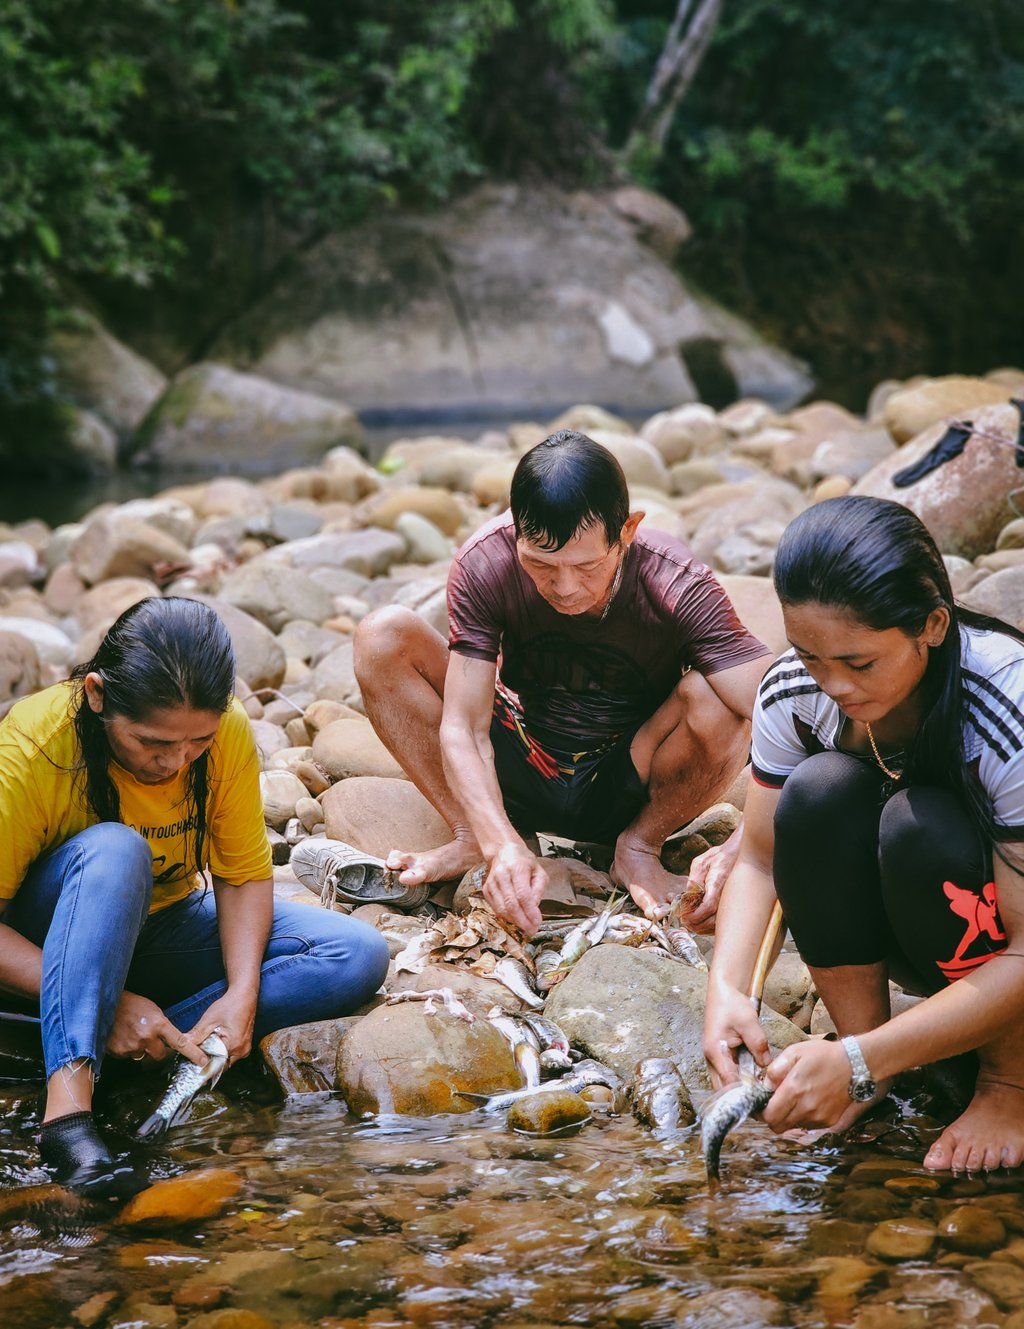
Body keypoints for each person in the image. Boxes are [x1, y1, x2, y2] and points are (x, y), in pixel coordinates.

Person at [0, 597, 389, 1196]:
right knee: (116, 850)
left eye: (196, 744)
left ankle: (140, 1041)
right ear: (98, 695)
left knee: (354, 953)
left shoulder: (225, 733)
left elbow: (241, 876)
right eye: (152, 743)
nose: (174, 762)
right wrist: (108, 995)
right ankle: (68, 1112)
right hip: (45, 944)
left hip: (157, 933)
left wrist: (242, 995)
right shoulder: (35, 746)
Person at [704, 495, 1024, 1172]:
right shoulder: (796, 692)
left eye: (860, 662)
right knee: (815, 793)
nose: (834, 685)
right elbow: (760, 861)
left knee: (919, 825)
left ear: (932, 625)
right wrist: (728, 991)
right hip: (923, 928)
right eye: (811, 655)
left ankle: (1009, 1082)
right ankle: (868, 1060)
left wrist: (849, 1062)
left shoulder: (1005, 702)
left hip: (1000, 933)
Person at [354, 430, 771, 935]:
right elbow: (464, 727)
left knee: (718, 698)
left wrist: (750, 846)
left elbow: (787, 710)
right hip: (527, 753)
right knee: (383, 637)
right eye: (540, 564)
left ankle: (638, 848)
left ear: (629, 531)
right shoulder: (487, 562)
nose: (565, 587)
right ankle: (473, 833)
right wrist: (497, 843)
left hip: (630, 775)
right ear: (515, 536)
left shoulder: (675, 581)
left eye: (588, 565)